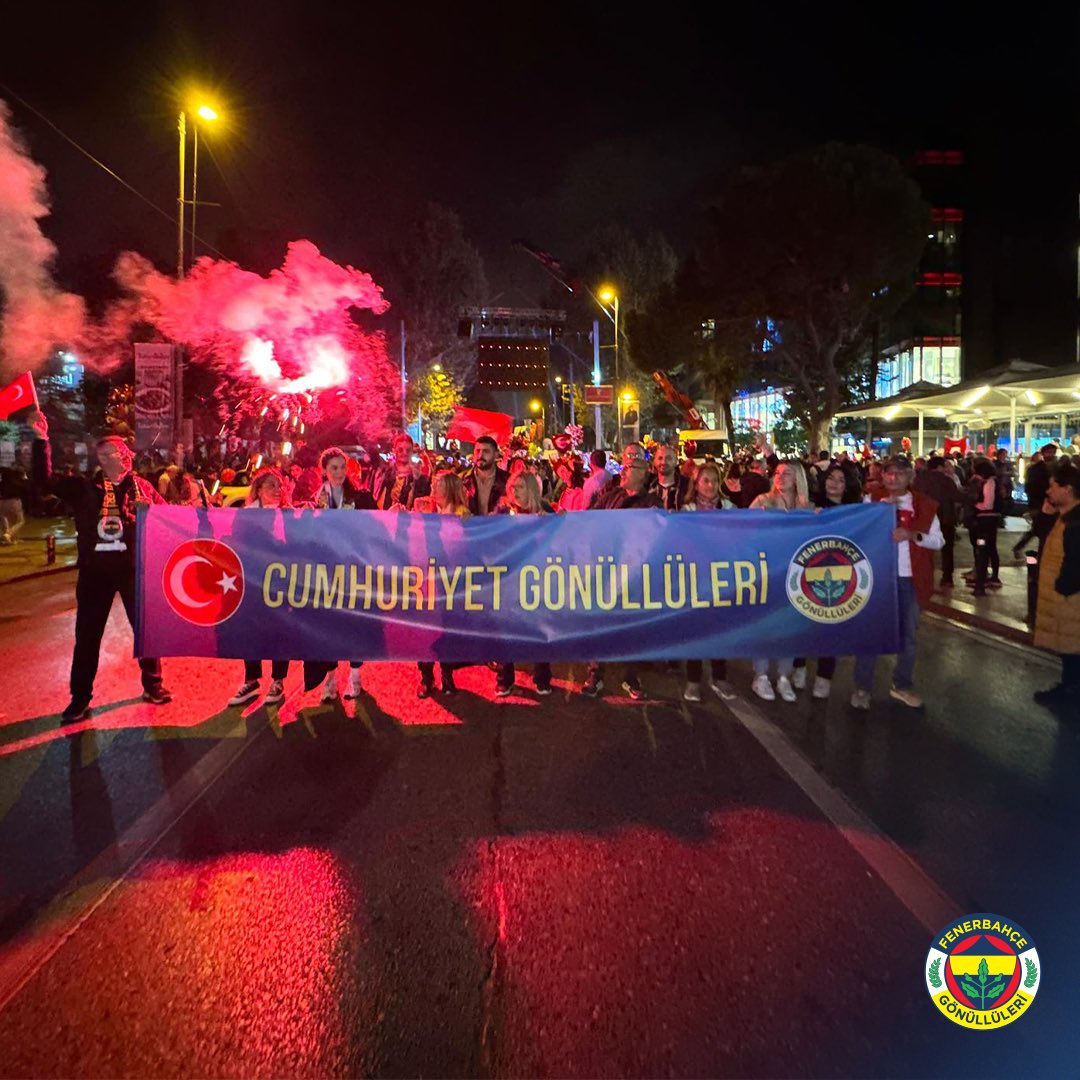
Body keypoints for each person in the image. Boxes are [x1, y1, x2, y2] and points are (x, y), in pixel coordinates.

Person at [29, 414, 172, 722]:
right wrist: (41, 438)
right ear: (102, 459)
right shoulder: (85, 489)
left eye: (121, 452)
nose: (118, 456)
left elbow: (172, 521)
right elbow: (44, 482)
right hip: (96, 574)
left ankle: (153, 685)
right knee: (88, 636)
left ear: (129, 456)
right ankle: (80, 698)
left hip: (134, 571)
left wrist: (160, 512)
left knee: (146, 633)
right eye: (108, 453)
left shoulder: (144, 488)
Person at [851, 456, 944, 710]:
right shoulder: (871, 500)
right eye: (889, 473)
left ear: (910, 477)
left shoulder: (924, 505)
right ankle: (862, 687)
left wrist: (913, 535)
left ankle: (901, 685)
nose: (893, 478)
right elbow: (857, 533)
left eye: (900, 474)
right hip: (878, 578)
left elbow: (938, 541)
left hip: (910, 578)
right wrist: (879, 514)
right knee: (870, 634)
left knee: (908, 636)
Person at [581, 455, 661, 698]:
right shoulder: (611, 496)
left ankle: (631, 676)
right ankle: (595, 673)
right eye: (623, 467)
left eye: (629, 468)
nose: (623, 472)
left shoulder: (651, 503)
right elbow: (588, 518)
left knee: (633, 626)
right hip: (607, 570)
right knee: (600, 623)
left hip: (636, 574)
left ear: (643, 473)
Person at [310, 447, 376, 702]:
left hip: (354, 570)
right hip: (326, 571)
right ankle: (330, 678)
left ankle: (355, 676)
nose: (339, 473)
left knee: (354, 624)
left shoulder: (360, 497)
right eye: (333, 468)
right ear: (324, 471)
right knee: (328, 626)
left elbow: (378, 526)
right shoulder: (316, 500)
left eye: (342, 467)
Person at [228, 468, 292, 707]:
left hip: (280, 581)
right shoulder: (246, 516)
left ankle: (278, 680)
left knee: (279, 629)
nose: (276, 490)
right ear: (258, 490)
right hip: (253, 580)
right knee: (251, 629)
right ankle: (252, 679)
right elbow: (239, 543)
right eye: (270, 486)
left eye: (279, 486)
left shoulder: (287, 514)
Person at [749, 462, 810, 702]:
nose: (780, 477)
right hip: (767, 573)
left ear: (798, 479)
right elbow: (742, 531)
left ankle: (784, 676)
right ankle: (761, 675)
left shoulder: (805, 507)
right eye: (777, 473)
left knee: (790, 626)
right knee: (764, 626)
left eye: (787, 473)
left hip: (795, 575)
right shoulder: (762, 501)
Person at [494, 471, 553, 696]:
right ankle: (505, 677)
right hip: (510, 578)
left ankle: (542, 676)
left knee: (539, 628)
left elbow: (558, 540)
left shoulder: (546, 511)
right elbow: (487, 536)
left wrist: (554, 523)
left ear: (531, 489)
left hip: (539, 578)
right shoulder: (502, 512)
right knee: (507, 629)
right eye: (512, 487)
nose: (514, 491)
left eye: (519, 487)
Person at [681, 462, 736, 702]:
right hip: (697, 578)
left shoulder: (730, 508)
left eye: (714, 480)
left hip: (723, 577)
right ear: (697, 483)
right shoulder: (688, 510)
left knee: (720, 630)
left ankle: (719, 677)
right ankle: (693, 680)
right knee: (695, 630)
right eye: (705, 480)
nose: (710, 485)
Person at [415, 470, 469, 697]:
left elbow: (462, 546)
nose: (433, 489)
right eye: (433, 484)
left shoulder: (461, 514)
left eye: (439, 485)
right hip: (423, 577)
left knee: (447, 628)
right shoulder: (422, 508)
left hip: (449, 579)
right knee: (424, 628)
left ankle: (447, 673)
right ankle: (426, 676)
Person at [1032, 460, 1080, 709]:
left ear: (1068, 490)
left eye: (1053, 487)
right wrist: (1046, 512)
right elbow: (1041, 532)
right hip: (1065, 599)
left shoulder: (1075, 522)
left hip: (1070, 598)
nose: (1048, 491)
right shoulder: (1064, 517)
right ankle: (1069, 685)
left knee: (1074, 646)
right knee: (1069, 647)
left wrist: (1063, 587)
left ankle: (1071, 689)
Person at [913, 456, 964, 588]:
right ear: (940, 467)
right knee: (947, 549)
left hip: (925, 517)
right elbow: (958, 496)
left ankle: (923, 576)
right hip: (945, 517)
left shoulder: (919, 479)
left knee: (924, 546)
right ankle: (947, 577)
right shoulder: (946, 480)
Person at [965, 458, 1002, 596]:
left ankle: (984, 579)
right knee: (989, 547)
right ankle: (986, 577)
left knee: (983, 546)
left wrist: (974, 505)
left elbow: (987, 504)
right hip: (989, 520)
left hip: (985, 521)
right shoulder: (991, 481)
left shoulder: (989, 483)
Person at [372, 432, 431, 510]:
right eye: (400, 450)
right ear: (394, 451)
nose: (404, 453)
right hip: (385, 518)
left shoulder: (420, 480)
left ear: (412, 451)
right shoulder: (385, 475)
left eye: (408, 450)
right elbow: (376, 500)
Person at [464, 435, 508, 516]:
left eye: (486, 451)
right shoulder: (463, 480)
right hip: (471, 527)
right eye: (477, 451)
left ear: (496, 455)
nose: (480, 455)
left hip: (498, 527)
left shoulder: (507, 481)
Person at [653, 443, 690, 511]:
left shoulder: (687, 486)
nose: (663, 462)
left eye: (668, 458)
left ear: (676, 462)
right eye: (660, 458)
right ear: (654, 462)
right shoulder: (649, 487)